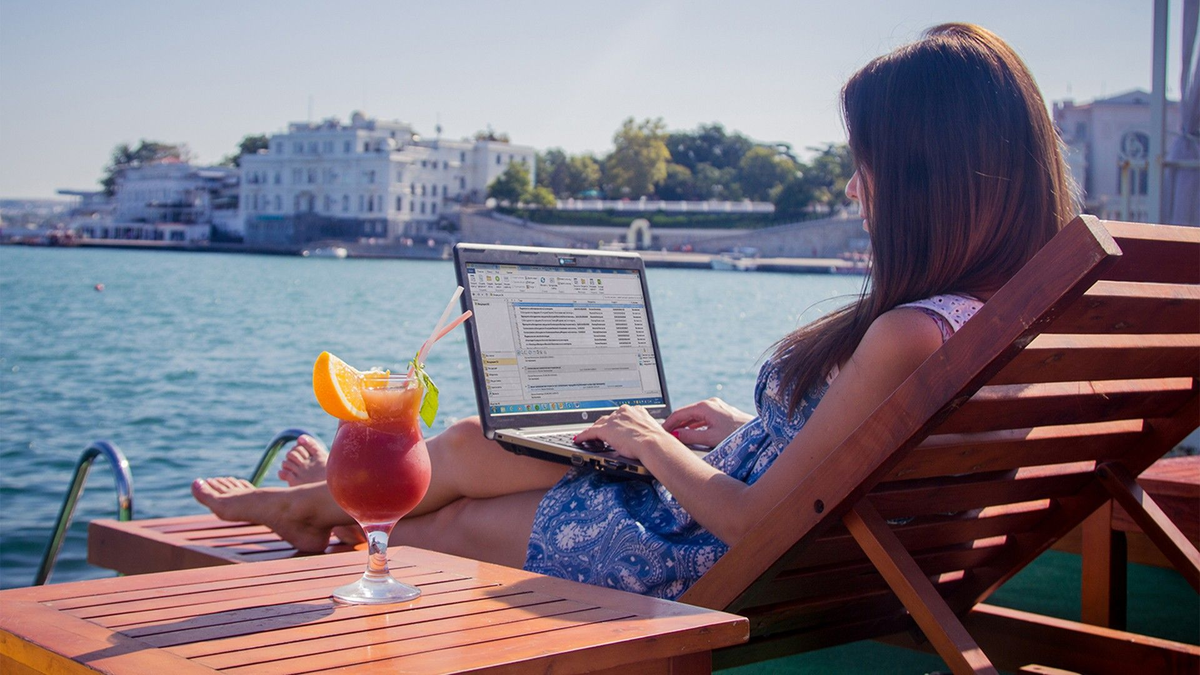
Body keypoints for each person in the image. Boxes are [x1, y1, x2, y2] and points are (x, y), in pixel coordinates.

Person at [193, 23, 1078, 600]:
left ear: (926, 176)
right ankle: (319, 504)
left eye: (866, 165)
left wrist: (652, 442)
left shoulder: (910, 331)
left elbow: (758, 520)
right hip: (782, 540)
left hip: (704, 553)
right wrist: (745, 429)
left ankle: (327, 515)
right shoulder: (991, 318)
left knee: (455, 519)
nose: (854, 188)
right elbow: (848, 459)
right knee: (469, 440)